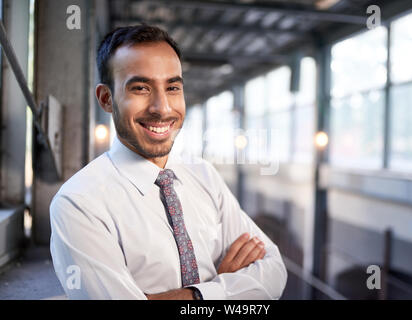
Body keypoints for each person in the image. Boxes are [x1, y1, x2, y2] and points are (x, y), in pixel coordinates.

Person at [49, 24, 287, 300]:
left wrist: (186, 295)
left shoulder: (204, 175)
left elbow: (273, 271)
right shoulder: (79, 203)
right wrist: (218, 288)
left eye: (172, 87)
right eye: (140, 88)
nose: (162, 108)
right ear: (106, 99)